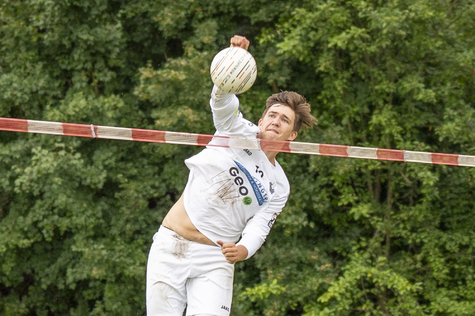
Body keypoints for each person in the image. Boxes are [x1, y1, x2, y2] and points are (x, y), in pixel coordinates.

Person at [146, 35, 317, 316]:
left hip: (216, 260)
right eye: (272, 115)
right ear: (261, 121)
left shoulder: (279, 185)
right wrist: (231, 61)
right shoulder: (235, 129)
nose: (276, 121)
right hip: (171, 246)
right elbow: (222, 100)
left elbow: (260, 225)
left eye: (285, 120)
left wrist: (244, 250)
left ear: (292, 135)